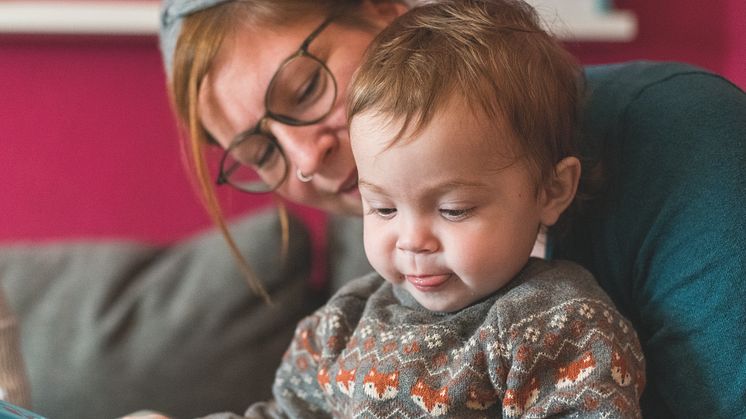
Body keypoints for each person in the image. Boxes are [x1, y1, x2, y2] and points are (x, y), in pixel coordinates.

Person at [128, 0, 745, 417]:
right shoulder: (354, 314)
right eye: (260, 150)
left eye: (308, 88)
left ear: (382, 9)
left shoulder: (679, 138)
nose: (305, 161)